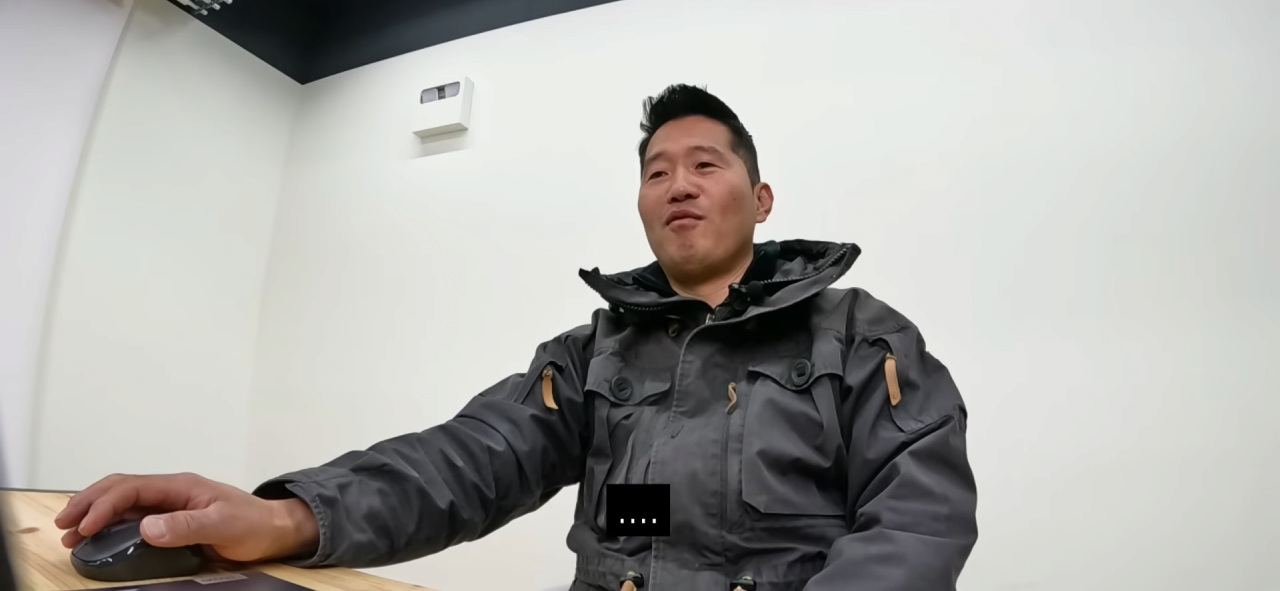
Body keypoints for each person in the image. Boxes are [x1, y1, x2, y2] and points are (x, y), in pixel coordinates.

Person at [55, 85, 978, 591]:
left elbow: (917, 523)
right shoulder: (592, 356)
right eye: (657, 171)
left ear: (762, 199)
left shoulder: (861, 337)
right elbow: (467, 462)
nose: (679, 184)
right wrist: (291, 517)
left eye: (706, 163)